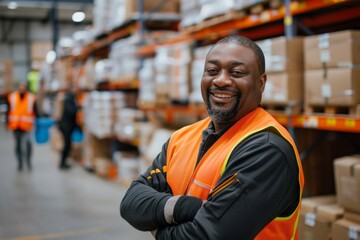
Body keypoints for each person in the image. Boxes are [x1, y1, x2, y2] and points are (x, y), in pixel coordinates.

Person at [120, 35, 304, 239]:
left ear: (261, 83)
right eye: (212, 71)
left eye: (236, 72)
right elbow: (131, 202)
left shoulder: (267, 149)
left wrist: (158, 228)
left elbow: (206, 236)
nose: (221, 80)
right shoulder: (182, 138)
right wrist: (184, 207)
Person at [6, 81, 37, 171]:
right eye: (20, 86)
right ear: (18, 87)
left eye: (24, 86)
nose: (22, 88)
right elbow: (9, 111)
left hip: (27, 126)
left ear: (26, 87)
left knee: (28, 144)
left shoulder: (31, 97)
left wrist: (37, 122)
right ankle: (20, 163)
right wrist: (7, 123)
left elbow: (35, 111)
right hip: (16, 126)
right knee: (18, 145)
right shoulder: (12, 97)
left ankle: (28, 162)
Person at [56, 87, 78, 170]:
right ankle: (62, 163)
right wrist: (78, 108)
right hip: (66, 126)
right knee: (67, 145)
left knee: (68, 144)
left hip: (68, 125)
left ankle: (64, 162)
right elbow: (71, 111)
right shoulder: (69, 99)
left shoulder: (70, 98)